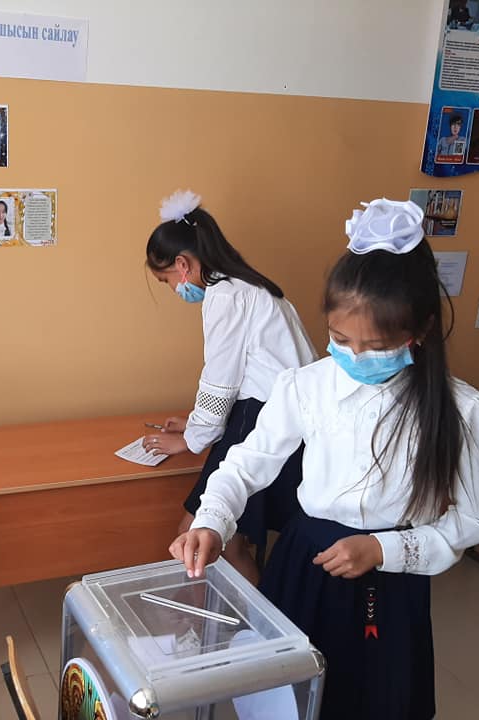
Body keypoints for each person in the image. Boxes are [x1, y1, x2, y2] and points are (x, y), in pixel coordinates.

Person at [171, 198, 479, 720]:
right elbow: (246, 462)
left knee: (376, 697)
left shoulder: (463, 409)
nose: (354, 357)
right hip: (305, 562)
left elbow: (473, 520)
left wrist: (384, 550)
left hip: (389, 576)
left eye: (376, 345)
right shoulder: (307, 386)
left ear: (419, 332)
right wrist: (212, 519)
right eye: (340, 340)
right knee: (288, 697)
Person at [143, 189, 316, 584]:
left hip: (262, 418)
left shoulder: (225, 297)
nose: (173, 289)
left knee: (203, 538)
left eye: (166, 280)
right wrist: (193, 423)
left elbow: (220, 380)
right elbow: (245, 374)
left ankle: (253, 618)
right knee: (224, 539)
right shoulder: (250, 286)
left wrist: (190, 441)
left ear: (182, 265)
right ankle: (252, 612)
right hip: (283, 414)